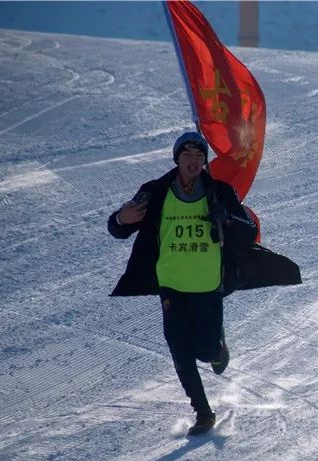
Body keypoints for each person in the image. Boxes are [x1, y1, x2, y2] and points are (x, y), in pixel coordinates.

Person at [107, 131, 263, 436]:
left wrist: (228, 218)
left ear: (205, 160)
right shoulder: (155, 192)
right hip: (171, 284)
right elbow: (117, 228)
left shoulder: (219, 192)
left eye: (199, 155)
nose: (193, 161)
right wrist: (122, 219)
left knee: (205, 352)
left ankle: (217, 348)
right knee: (178, 348)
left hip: (207, 284)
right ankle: (203, 413)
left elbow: (248, 232)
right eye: (187, 154)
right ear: (177, 158)